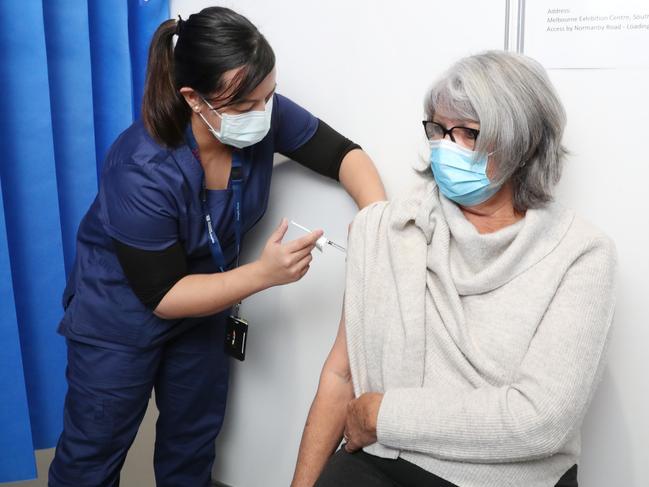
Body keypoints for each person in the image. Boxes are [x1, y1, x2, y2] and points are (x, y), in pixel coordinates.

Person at [48, 7, 386, 487]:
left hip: (205, 307)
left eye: (267, 97)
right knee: (92, 459)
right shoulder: (140, 166)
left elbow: (341, 154)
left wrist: (378, 221)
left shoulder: (261, 112)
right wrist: (264, 274)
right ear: (193, 99)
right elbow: (163, 296)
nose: (262, 114)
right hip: (119, 319)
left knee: (192, 447)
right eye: (246, 105)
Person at [291, 51, 616, 487]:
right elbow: (340, 373)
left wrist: (383, 415)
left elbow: (540, 420)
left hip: (507, 474)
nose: (446, 146)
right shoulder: (385, 230)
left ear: (523, 145)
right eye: (439, 129)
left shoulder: (581, 254)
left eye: (469, 133)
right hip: (382, 462)